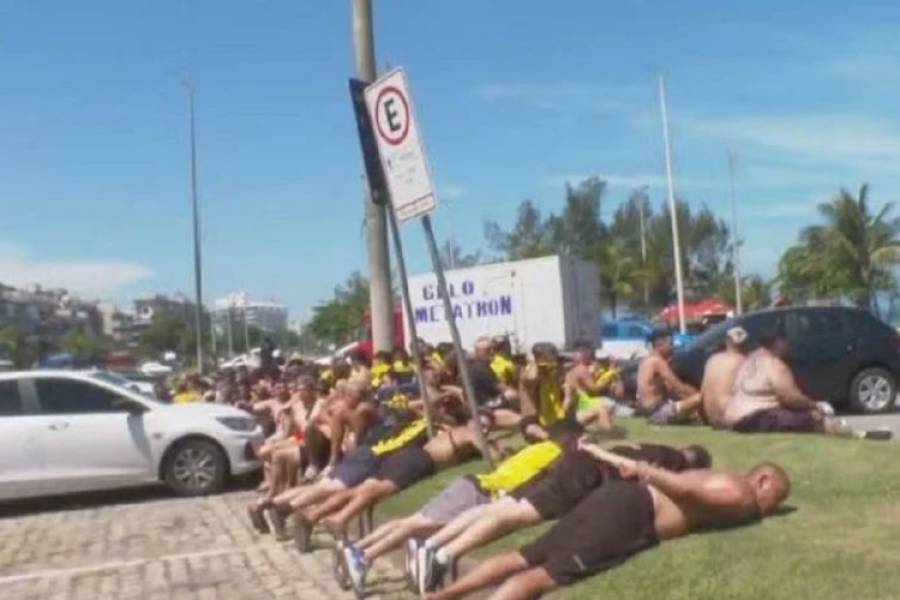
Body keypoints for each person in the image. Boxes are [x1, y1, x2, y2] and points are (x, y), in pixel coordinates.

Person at [424, 457, 790, 600]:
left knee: (525, 556)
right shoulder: (741, 493)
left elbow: (689, 487)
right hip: (631, 512)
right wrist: (648, 470)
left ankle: (440, 598)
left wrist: (644, 473)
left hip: (618, 496)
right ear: (761, 478)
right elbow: (686, 490)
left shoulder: (720, 474)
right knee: (545, 576)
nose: (769, 507)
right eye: (774, 496)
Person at [414, 440, 711, 593]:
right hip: (585, 474)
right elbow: (633, 469)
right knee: (517, 515)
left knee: (504, 508)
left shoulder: (653, 446)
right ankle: (444, 555)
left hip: (574, 463)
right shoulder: (672, 461)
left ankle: (436, 547)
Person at [336, 421, 584, 591]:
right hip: (482, 492)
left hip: (474, 485)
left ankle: (358, 550)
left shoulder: (537, 448)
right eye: (578, 440)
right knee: (416, 524)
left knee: (413, 522)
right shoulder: (554, 453)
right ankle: (363, 556)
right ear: (569, 438)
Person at [722, 333, 881, 437]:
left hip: (732, 419)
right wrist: (816, 405)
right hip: (753, 419)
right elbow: (790, 397)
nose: (789, 346)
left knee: (789, 416)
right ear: (777, 343)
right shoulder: (774, 364)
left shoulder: (749, 360)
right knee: (811, 417)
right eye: (786, 342)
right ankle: (854, 433)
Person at [636, 329, 700, 425]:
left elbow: (671, 390)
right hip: (657, 411)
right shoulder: (657, 362)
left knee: (691, 406)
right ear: (660, 345)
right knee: (699, 398)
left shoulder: (646, 361)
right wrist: (696, 393)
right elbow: (677, 386)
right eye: (670, 343)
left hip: (649, 410)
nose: (673, 347)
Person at [701, 326, 750, 427]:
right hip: (730, 418)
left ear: (727, 342)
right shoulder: (742, 361)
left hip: (711, 418)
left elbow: (702, 393)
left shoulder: (712, 360)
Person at [563, 340, 615, 430]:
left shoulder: (570, 369)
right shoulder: (582, 369)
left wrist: (595, 375)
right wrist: (609, 376)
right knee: (604, 408)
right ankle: (608, 434)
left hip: (575, 408)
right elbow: (594, 389)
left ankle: (600, 429)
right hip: (577, 411)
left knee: (602, 406)